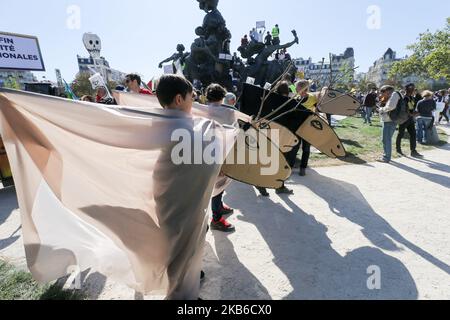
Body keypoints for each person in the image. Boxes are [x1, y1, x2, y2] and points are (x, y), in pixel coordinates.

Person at [205, 83, 235, 232]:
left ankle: (219, 207)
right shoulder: (229, 112)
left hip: (204, 152)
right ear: (223, 97)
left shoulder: (201, 110)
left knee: (216, 184)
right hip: (222, 152)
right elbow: (233, 136)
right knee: (218, 183)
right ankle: (216, 219)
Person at [256, 81, 294, 197]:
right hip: (278, 134)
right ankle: (279, 186)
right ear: (286, 91)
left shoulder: (267, 99)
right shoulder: (285, 101)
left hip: (265, 132)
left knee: (265, 161)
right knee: (279, 161)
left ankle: (261, 184)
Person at [295, 80, 318, 176]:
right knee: (294, 147)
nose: (296, 89)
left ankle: (303, 167)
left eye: (297, 88)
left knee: (306, 148)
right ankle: (290, 165)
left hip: (308, 127)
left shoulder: (312, 98)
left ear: (303, 88)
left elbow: (318, 109)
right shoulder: (296, 98)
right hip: (297, 126)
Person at [396, 83, 422, 158]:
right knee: (400, 134)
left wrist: (415, 112)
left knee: (413, 134)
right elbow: (403, 109)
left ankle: (413, 151)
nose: (413, 90)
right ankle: (398, 149)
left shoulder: (411, 98)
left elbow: (412, 108)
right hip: (404, 119)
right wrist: (411, 114)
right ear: (407, 90)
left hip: (410, 119)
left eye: (413, 89)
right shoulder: (403, 98)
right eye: (412, 89)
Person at [377, 85, 401, 163]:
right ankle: (386, 155)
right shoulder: (392, 95)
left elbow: (391, 106)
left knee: (386, 139)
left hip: (389, 121)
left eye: (382, 93)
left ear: (387, 91)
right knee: (386, 139)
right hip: (389, 120)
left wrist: (381, 109)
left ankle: (386, 157)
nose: (382, 95)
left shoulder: (394, 94)